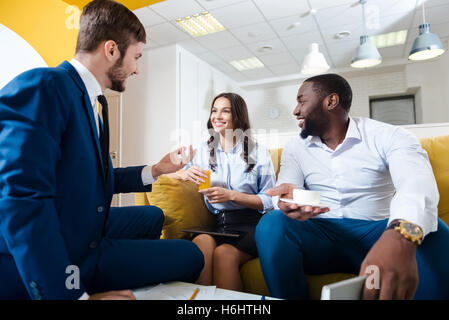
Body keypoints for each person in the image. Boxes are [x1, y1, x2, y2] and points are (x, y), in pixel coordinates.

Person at [0, 0, 204, 300]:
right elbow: (21, 198)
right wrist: (74, 297)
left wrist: (157, 170)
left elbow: (98, 177)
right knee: (191, 255)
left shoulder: (98, 103)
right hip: (65, 253)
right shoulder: (45, 86)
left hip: (84, 228)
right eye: (136, 57)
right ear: (111, 50)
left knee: (152, 216)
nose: (136, 69)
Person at [255, 73, 449, 300]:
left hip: (377, 232)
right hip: (321, 235)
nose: (295, 110)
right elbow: (287, 189)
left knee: (432, 229)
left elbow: (414, 186)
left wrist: (399, 235)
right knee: (271, 223)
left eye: (302, 101)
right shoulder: (295, 147)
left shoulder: (388, 135)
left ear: (331, 101)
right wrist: (289, 201)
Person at [168, 92, 276, 292]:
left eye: (225, 111)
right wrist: (184, 174)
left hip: (251, 225)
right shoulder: (202, 150)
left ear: (238, 116)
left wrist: (232, 195)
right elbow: (167, 176)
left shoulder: (258, 152)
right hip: (219, 224)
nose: (217, 116)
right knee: (201, 241)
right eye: (214, 110)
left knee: (224, 254)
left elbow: (270, 200)